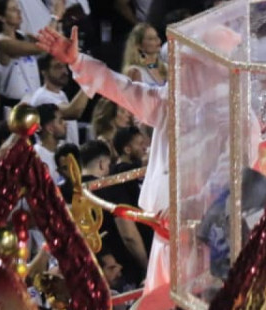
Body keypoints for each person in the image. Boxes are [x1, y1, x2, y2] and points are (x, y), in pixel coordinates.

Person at [38, 23, 238, 310]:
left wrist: (189, 207)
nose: (178, 71)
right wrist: (76, 60)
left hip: (205, 244)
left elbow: (228, 180)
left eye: (188, 64)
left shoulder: (234, 116)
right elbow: (123, 89)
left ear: (211, 69)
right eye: (179, 64)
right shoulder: (173, 102)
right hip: (164, 234)